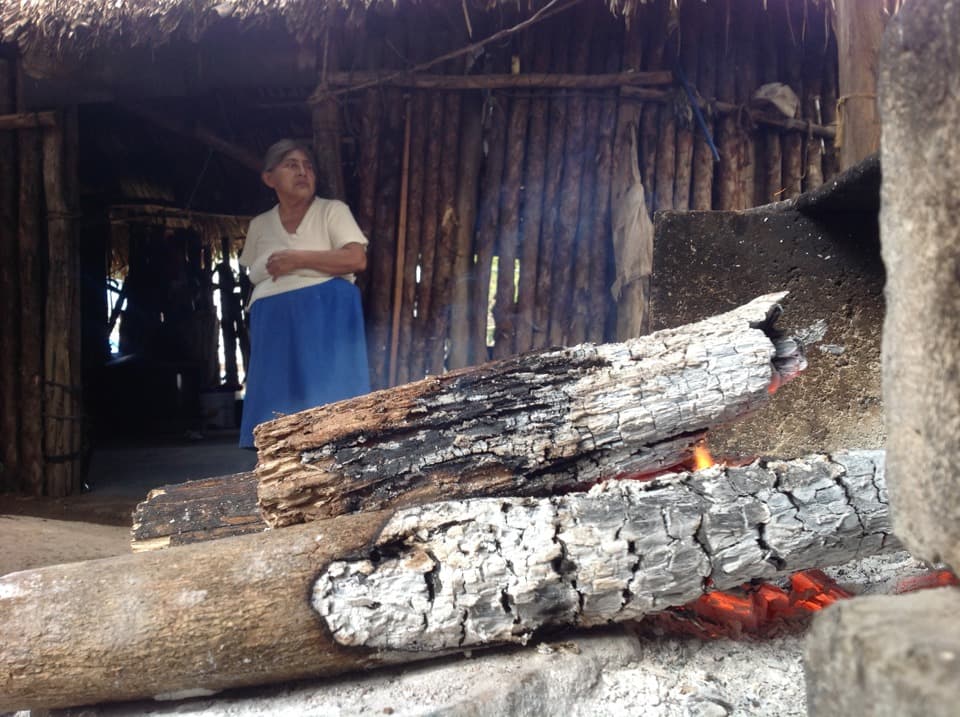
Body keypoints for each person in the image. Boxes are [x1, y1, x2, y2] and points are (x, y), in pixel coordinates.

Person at [238, 139, 370, 449]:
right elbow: (254, 272)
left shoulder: (331, 211)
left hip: (325, 315)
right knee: (277, 406)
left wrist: (296, 260)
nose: (303, 172)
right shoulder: (260, 225)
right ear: (270, 179)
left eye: (308, 166)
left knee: (330, 403)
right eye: (291, 165)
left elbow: (355, 259)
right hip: (274, 321)